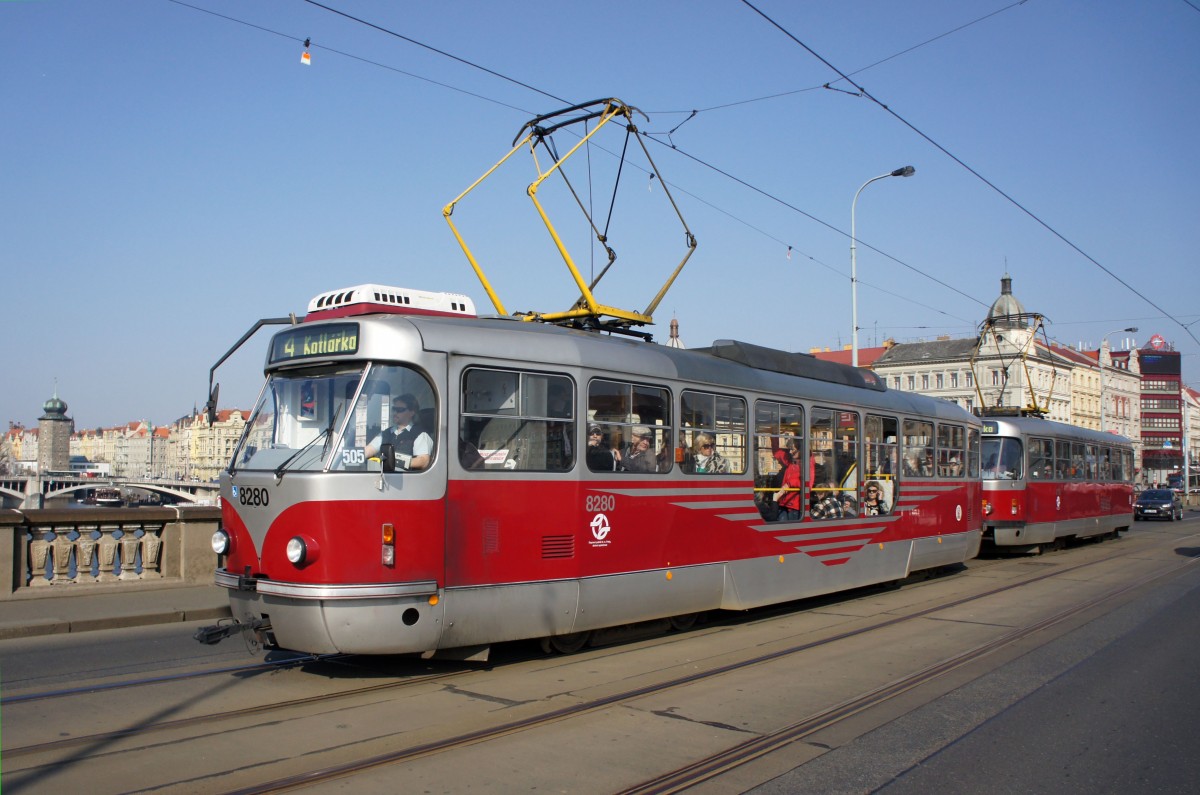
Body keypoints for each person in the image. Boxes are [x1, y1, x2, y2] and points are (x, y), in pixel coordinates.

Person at [365, 394, 433, 470]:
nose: (395, 413)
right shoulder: (386, 433)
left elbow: (424, 461)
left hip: (407, 477)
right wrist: (357, 454)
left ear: (412, 412)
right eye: (394, 409)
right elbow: (369, 450)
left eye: (400, 410)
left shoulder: (420, 434)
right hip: (383, 476)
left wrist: (397, 461)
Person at [775, 438, 804, 521]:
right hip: (784, 502)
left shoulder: (806, 465)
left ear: (800, 450)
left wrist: (789, 484)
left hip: (795, 505)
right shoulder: (790, 463)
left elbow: (805, 481)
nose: (790, 452)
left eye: (792, 449)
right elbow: (777, 453)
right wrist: (774, 436)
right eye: (789, 449)